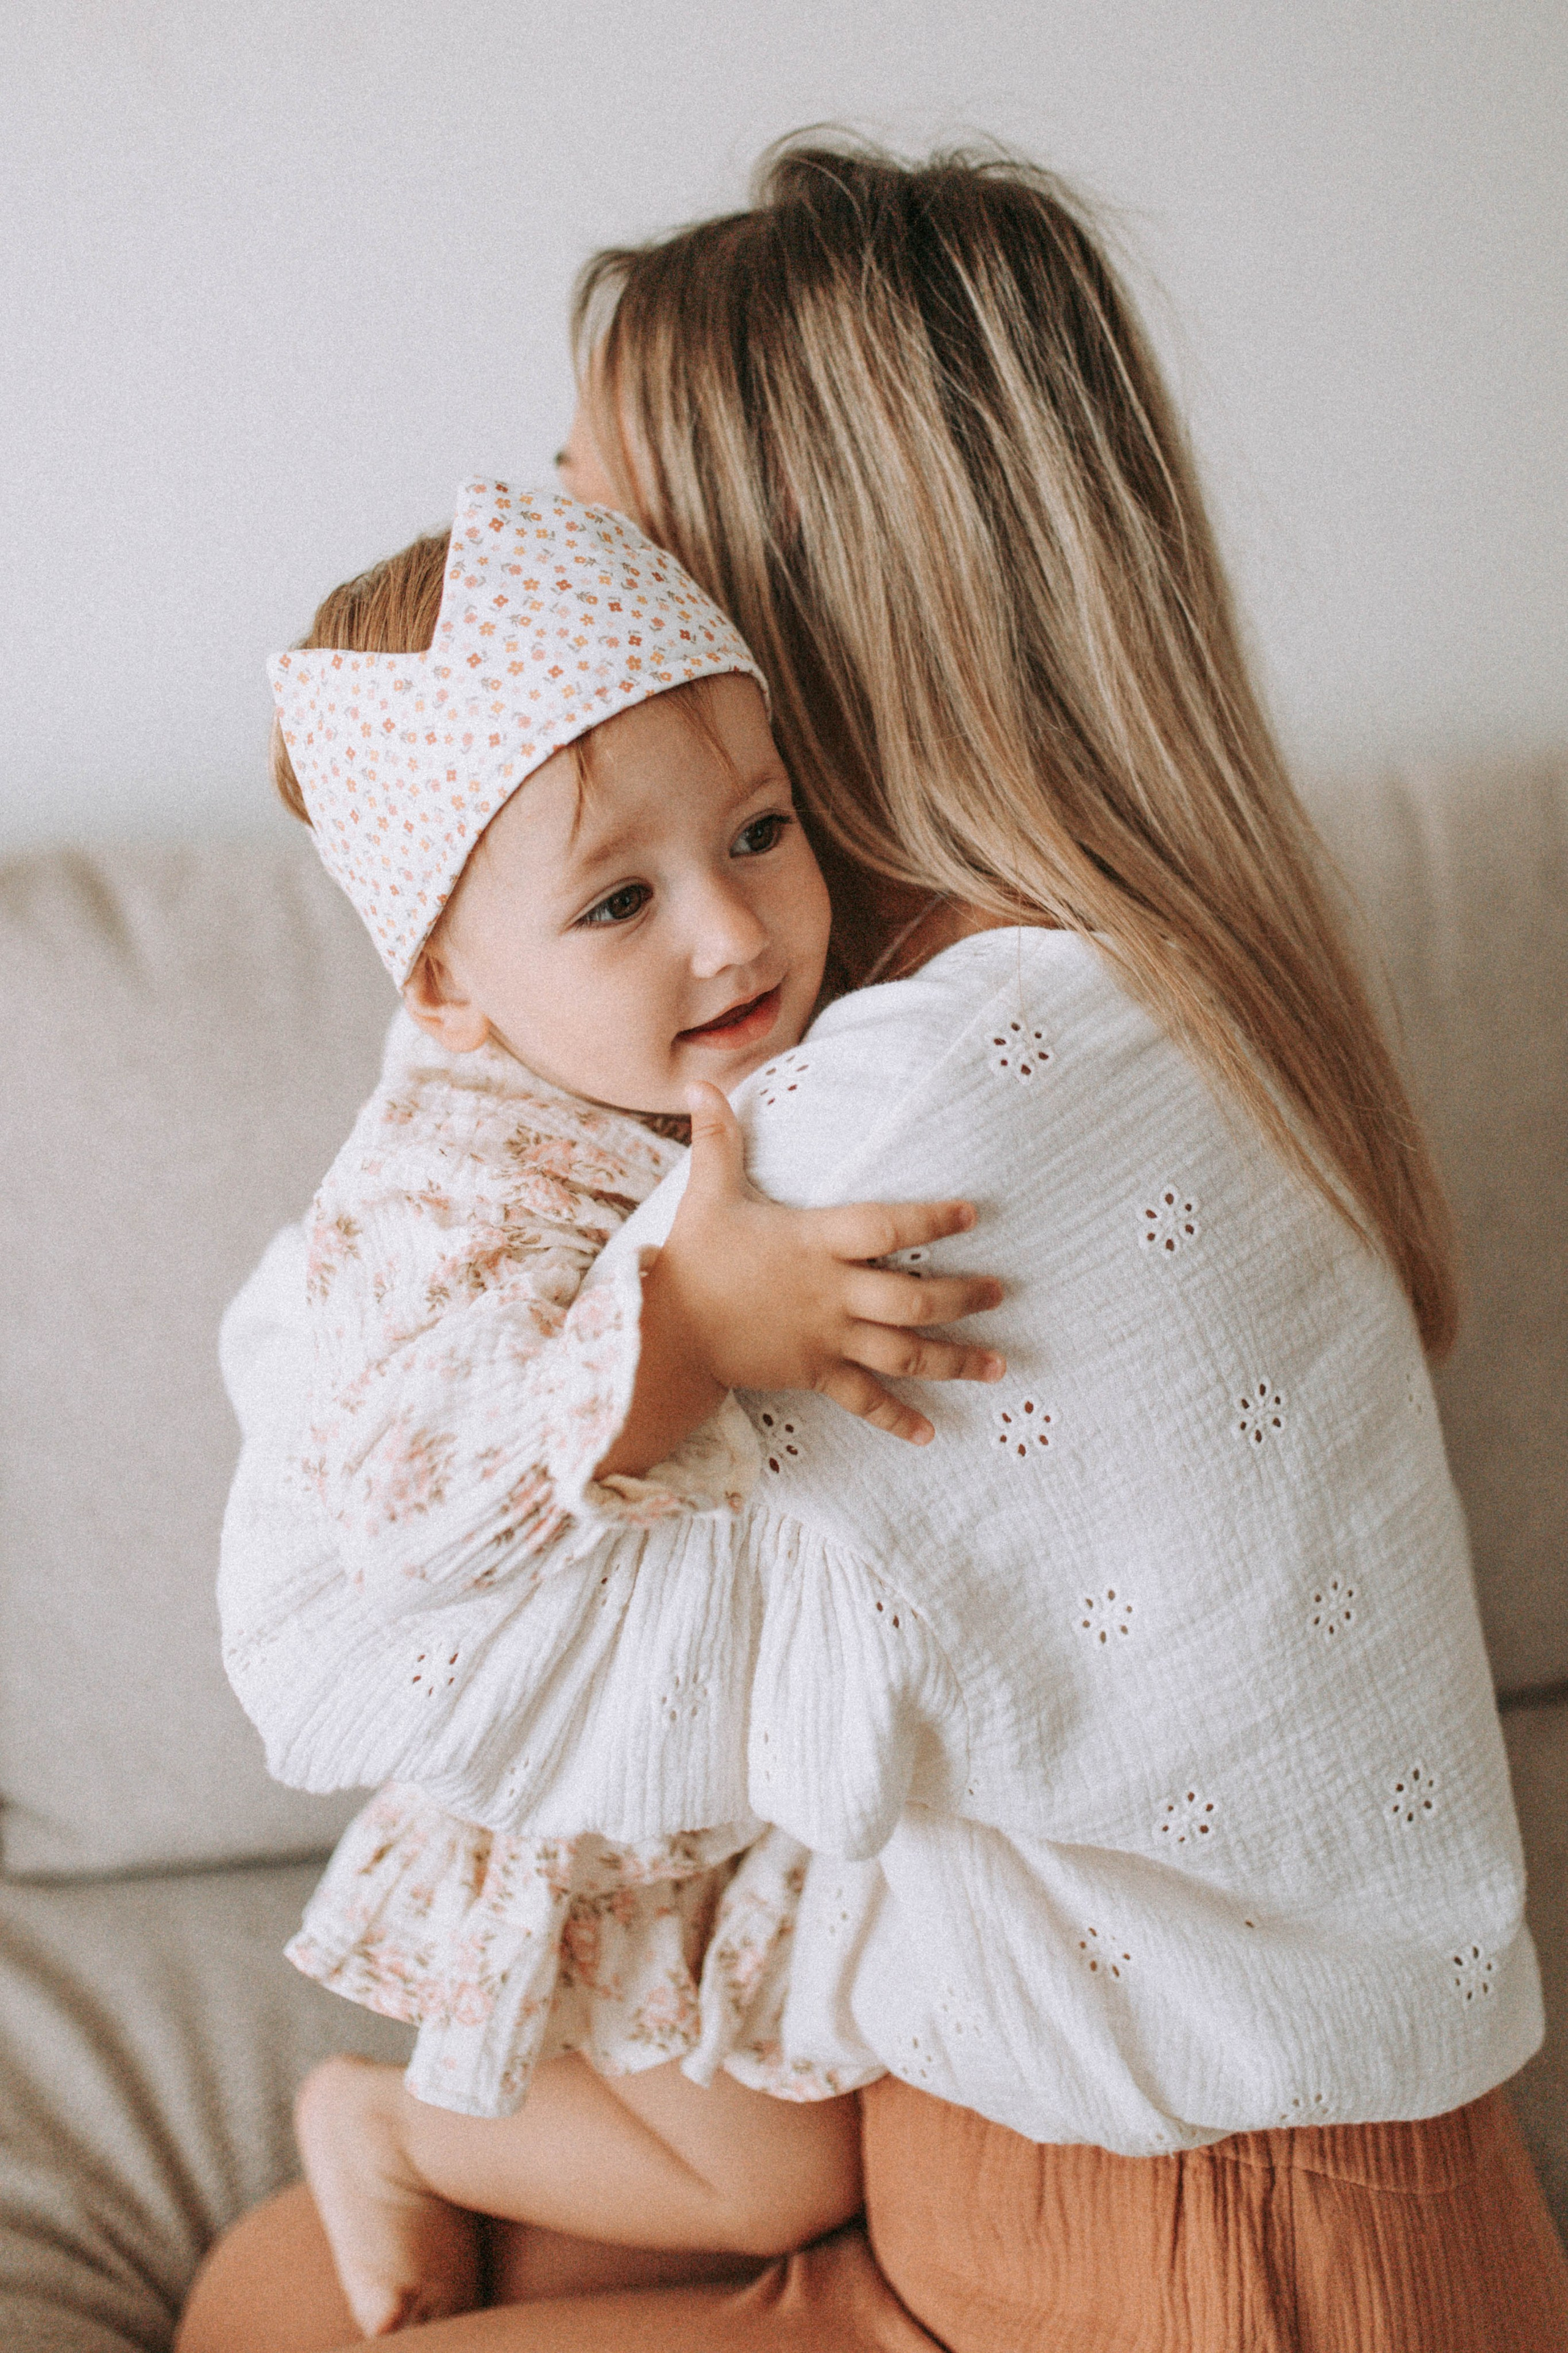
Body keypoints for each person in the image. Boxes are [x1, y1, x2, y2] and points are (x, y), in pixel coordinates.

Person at [180, 142, 1568, 2349]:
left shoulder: (931, 1102)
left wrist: (415, 1170)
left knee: (273, 2319)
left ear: (781, 590)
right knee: (278, 2278)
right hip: (998, 2148)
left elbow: (327, 1645)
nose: (547, 593)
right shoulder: (1138, 959)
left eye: (596, 529)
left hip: (1187, 2268)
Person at [238, 478, 1005, 2336]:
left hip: (736, 1786)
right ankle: (390, 2123)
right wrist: (687, 1327)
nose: (733, 932)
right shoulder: (445, 1180)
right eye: (618, 899)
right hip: (577, 1818)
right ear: (448, 982)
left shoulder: (687, 1053)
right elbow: (418, 1485)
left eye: (761, 830)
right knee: (781, 2171)